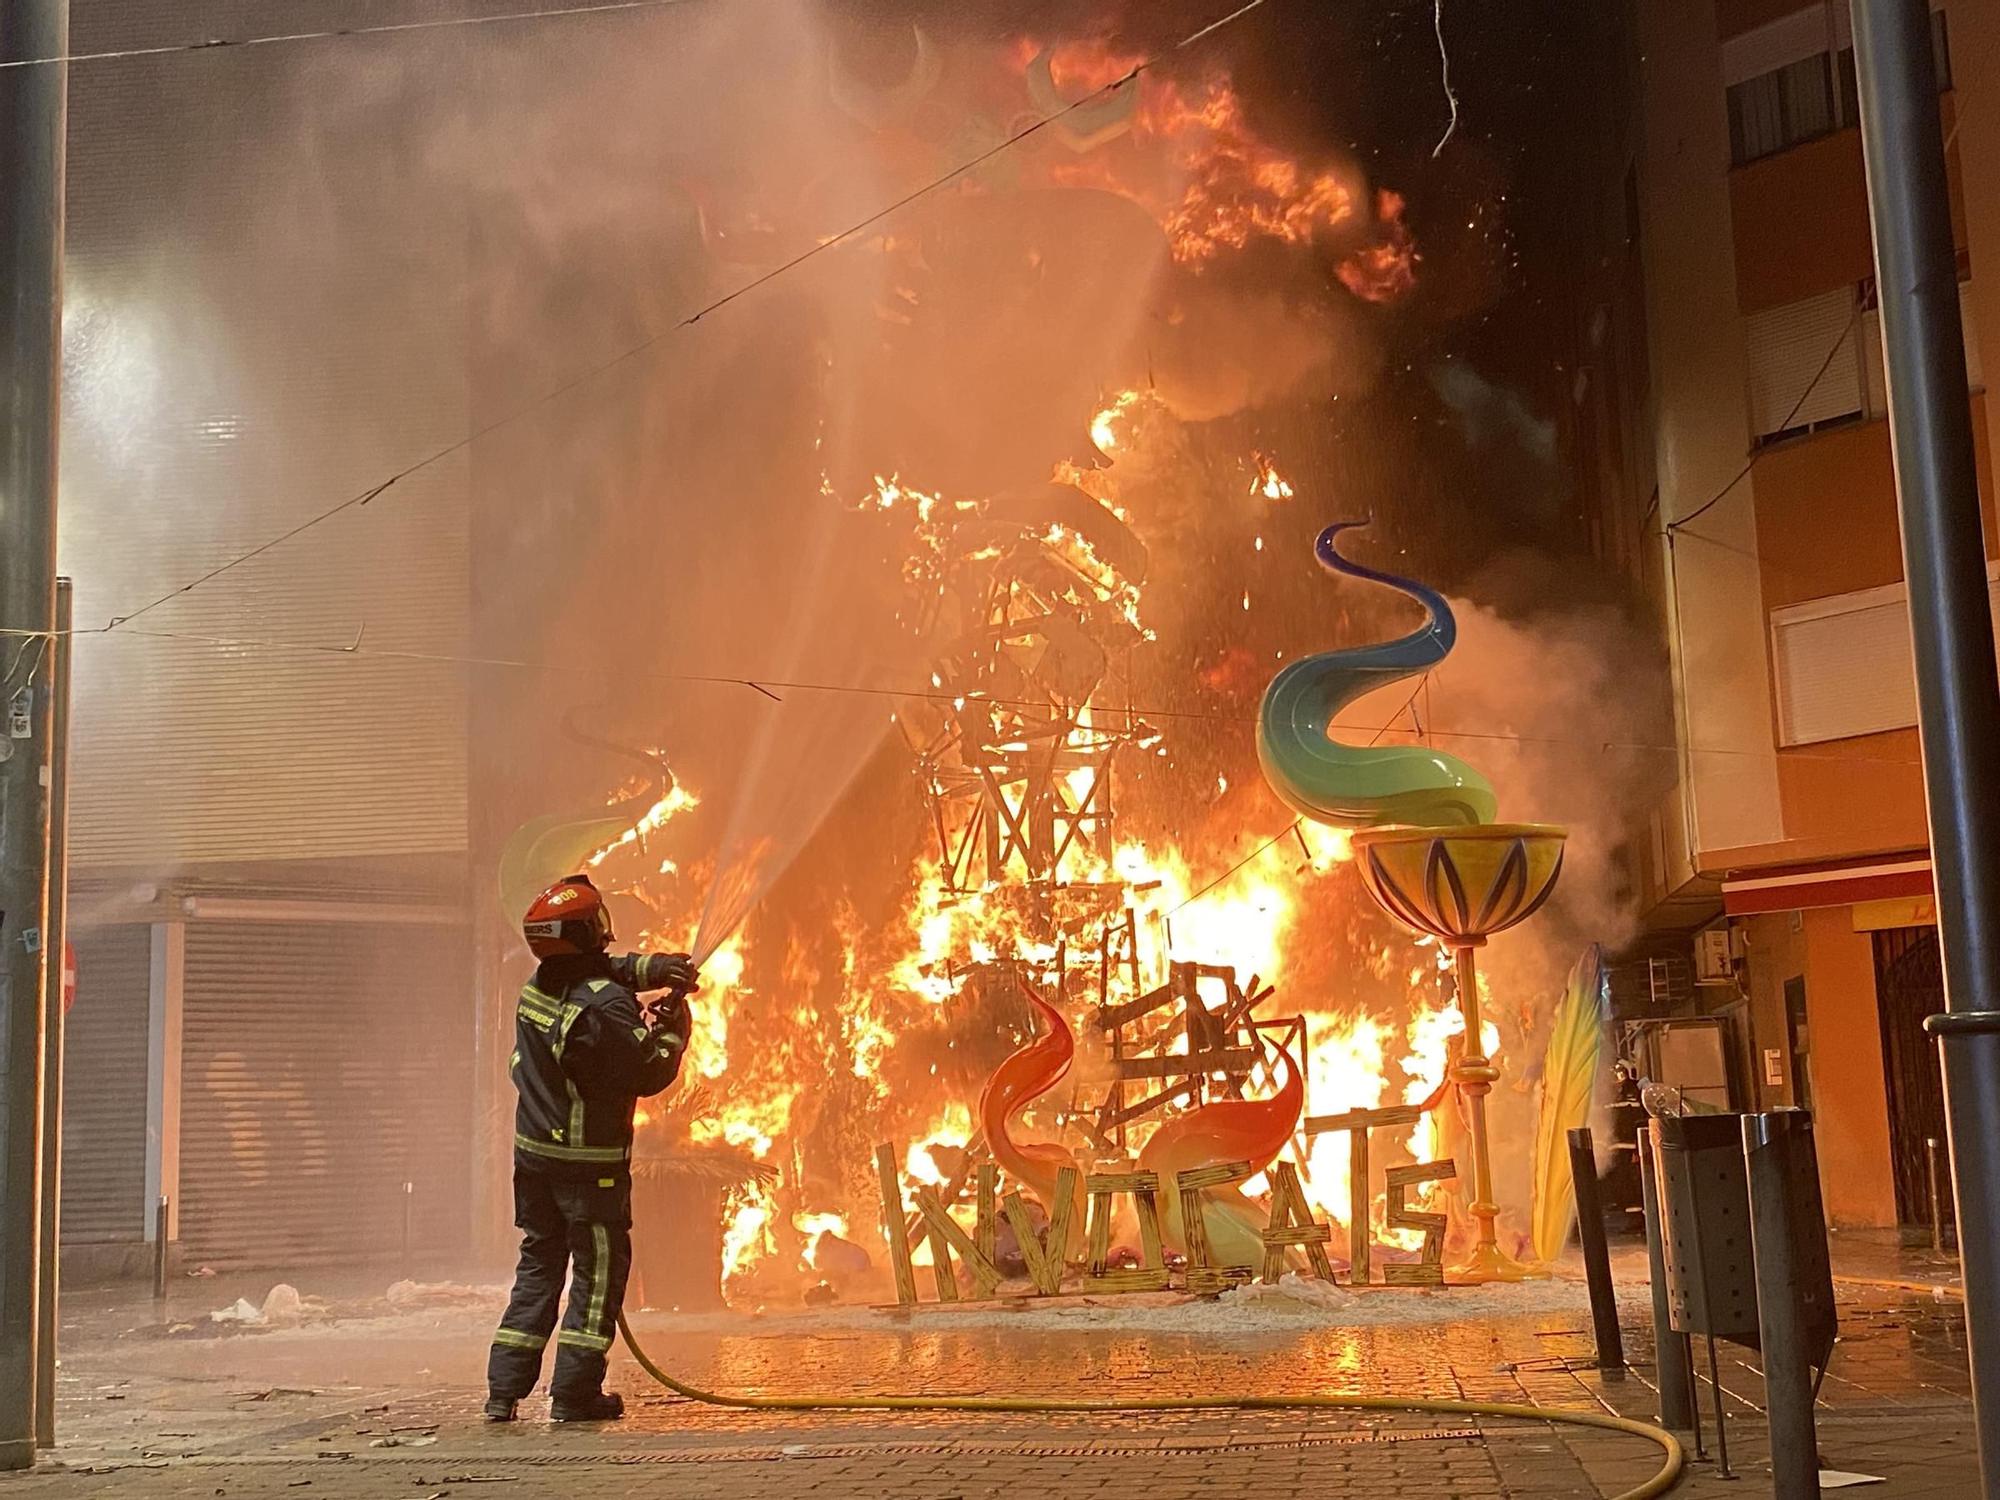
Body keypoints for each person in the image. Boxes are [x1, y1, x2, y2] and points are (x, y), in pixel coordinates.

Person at [485, 873, 698, 1422]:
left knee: (539, 1267)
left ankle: (502, 1393)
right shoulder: (603, 1009)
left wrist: (655, 968)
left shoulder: (538, 987)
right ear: (582, 933)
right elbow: (646, 1072)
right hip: (589, 1172)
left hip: (535, 1160)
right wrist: (674, 1031)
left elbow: (600, 971)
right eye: (595, 923)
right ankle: (575, 1394)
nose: (604, 930)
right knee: (597, 1277)